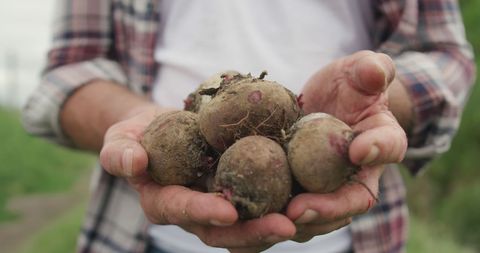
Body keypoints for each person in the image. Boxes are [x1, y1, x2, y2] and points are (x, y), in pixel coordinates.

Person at [22, 0, 475, 252]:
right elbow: (67, 72)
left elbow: (448, 56)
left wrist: (376, 95)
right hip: (138, 238)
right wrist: (130, 121)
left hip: (358, 237)